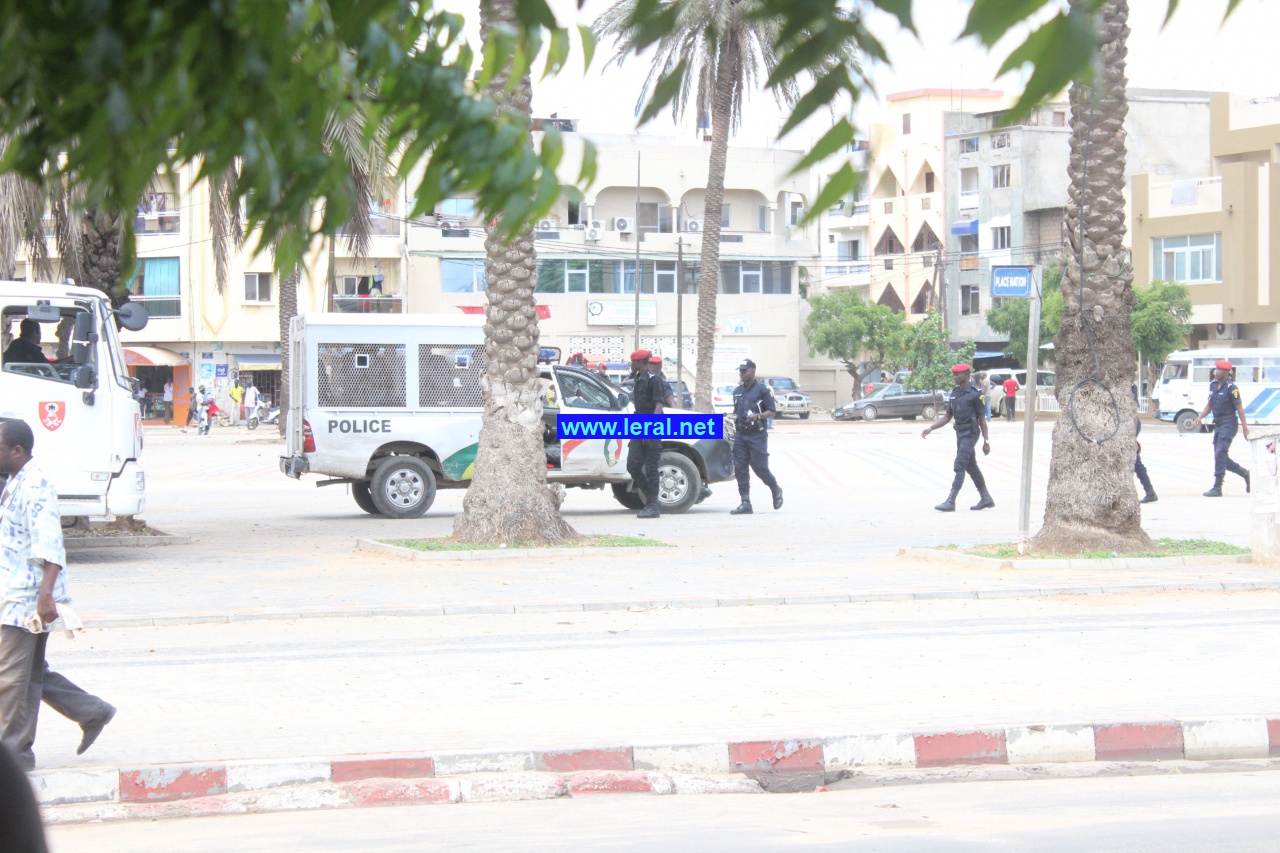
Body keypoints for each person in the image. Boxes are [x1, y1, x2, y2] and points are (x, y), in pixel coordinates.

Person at [0, 420, 116, 772]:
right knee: (29, 675)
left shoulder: (34, 486)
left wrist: (45, 598)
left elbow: (51, 547)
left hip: (26, 600)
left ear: (16, 451)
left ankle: (12, 756)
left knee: (11, 680)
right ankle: (90, 712)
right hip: (16, 595)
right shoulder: (16, 481)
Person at [921, 364, 994, 511]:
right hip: (960, 434)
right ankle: (986, 498)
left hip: (971, 433)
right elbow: (948, 416)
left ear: (966, 375)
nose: (954, 377)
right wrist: (931, 428)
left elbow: (982, 419)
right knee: (971, 466)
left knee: (959, 464)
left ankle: (951, 501)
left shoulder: (976, 395)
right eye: (954, 375)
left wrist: (986, 441)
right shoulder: (954, 394)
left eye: (957, 375)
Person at [730, 359, 783, 515]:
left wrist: (759, 416)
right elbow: (737, 411)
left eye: (744, 370)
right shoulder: (737, 391)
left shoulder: (762, 390)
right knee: (740, 468)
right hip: (740, 434)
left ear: (752, 372)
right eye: (740, 370)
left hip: (756, 435)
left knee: (760, 467)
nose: (741, 373)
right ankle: (745, 502)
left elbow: (772, 411)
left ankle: (775, 488)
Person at [1192, 359, 1251, 497]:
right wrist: (1200, 417)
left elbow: (1240, 410)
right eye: (1216, 369)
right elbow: (1210, 404)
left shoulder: (1232, 388)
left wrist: (1245, 429)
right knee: (1221, 457)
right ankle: (1245, 474)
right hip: (1218, 424)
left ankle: (1217, 487)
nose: (1216, 371)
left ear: (1226, 372)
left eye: (1219, 370)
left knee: (1220, 454)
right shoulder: (1213, 385)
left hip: (1229, 423)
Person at [624, 350, 666, 519]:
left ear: (640, 363)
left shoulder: (654, 380)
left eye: (632, 362)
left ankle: (653, 506)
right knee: (632, 465)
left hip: (652, 425)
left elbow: (659, 405)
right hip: (639, 424)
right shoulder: (638, 380)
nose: (631, 365)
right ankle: (651, 499)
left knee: (651, 467)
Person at [1132, 383, 1157, 504]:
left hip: (1131, 426)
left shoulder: (1130, 386)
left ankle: (1150, 492)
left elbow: (1134, 414)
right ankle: (1150, 492)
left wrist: (1132, 437)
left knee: (1135, 460)